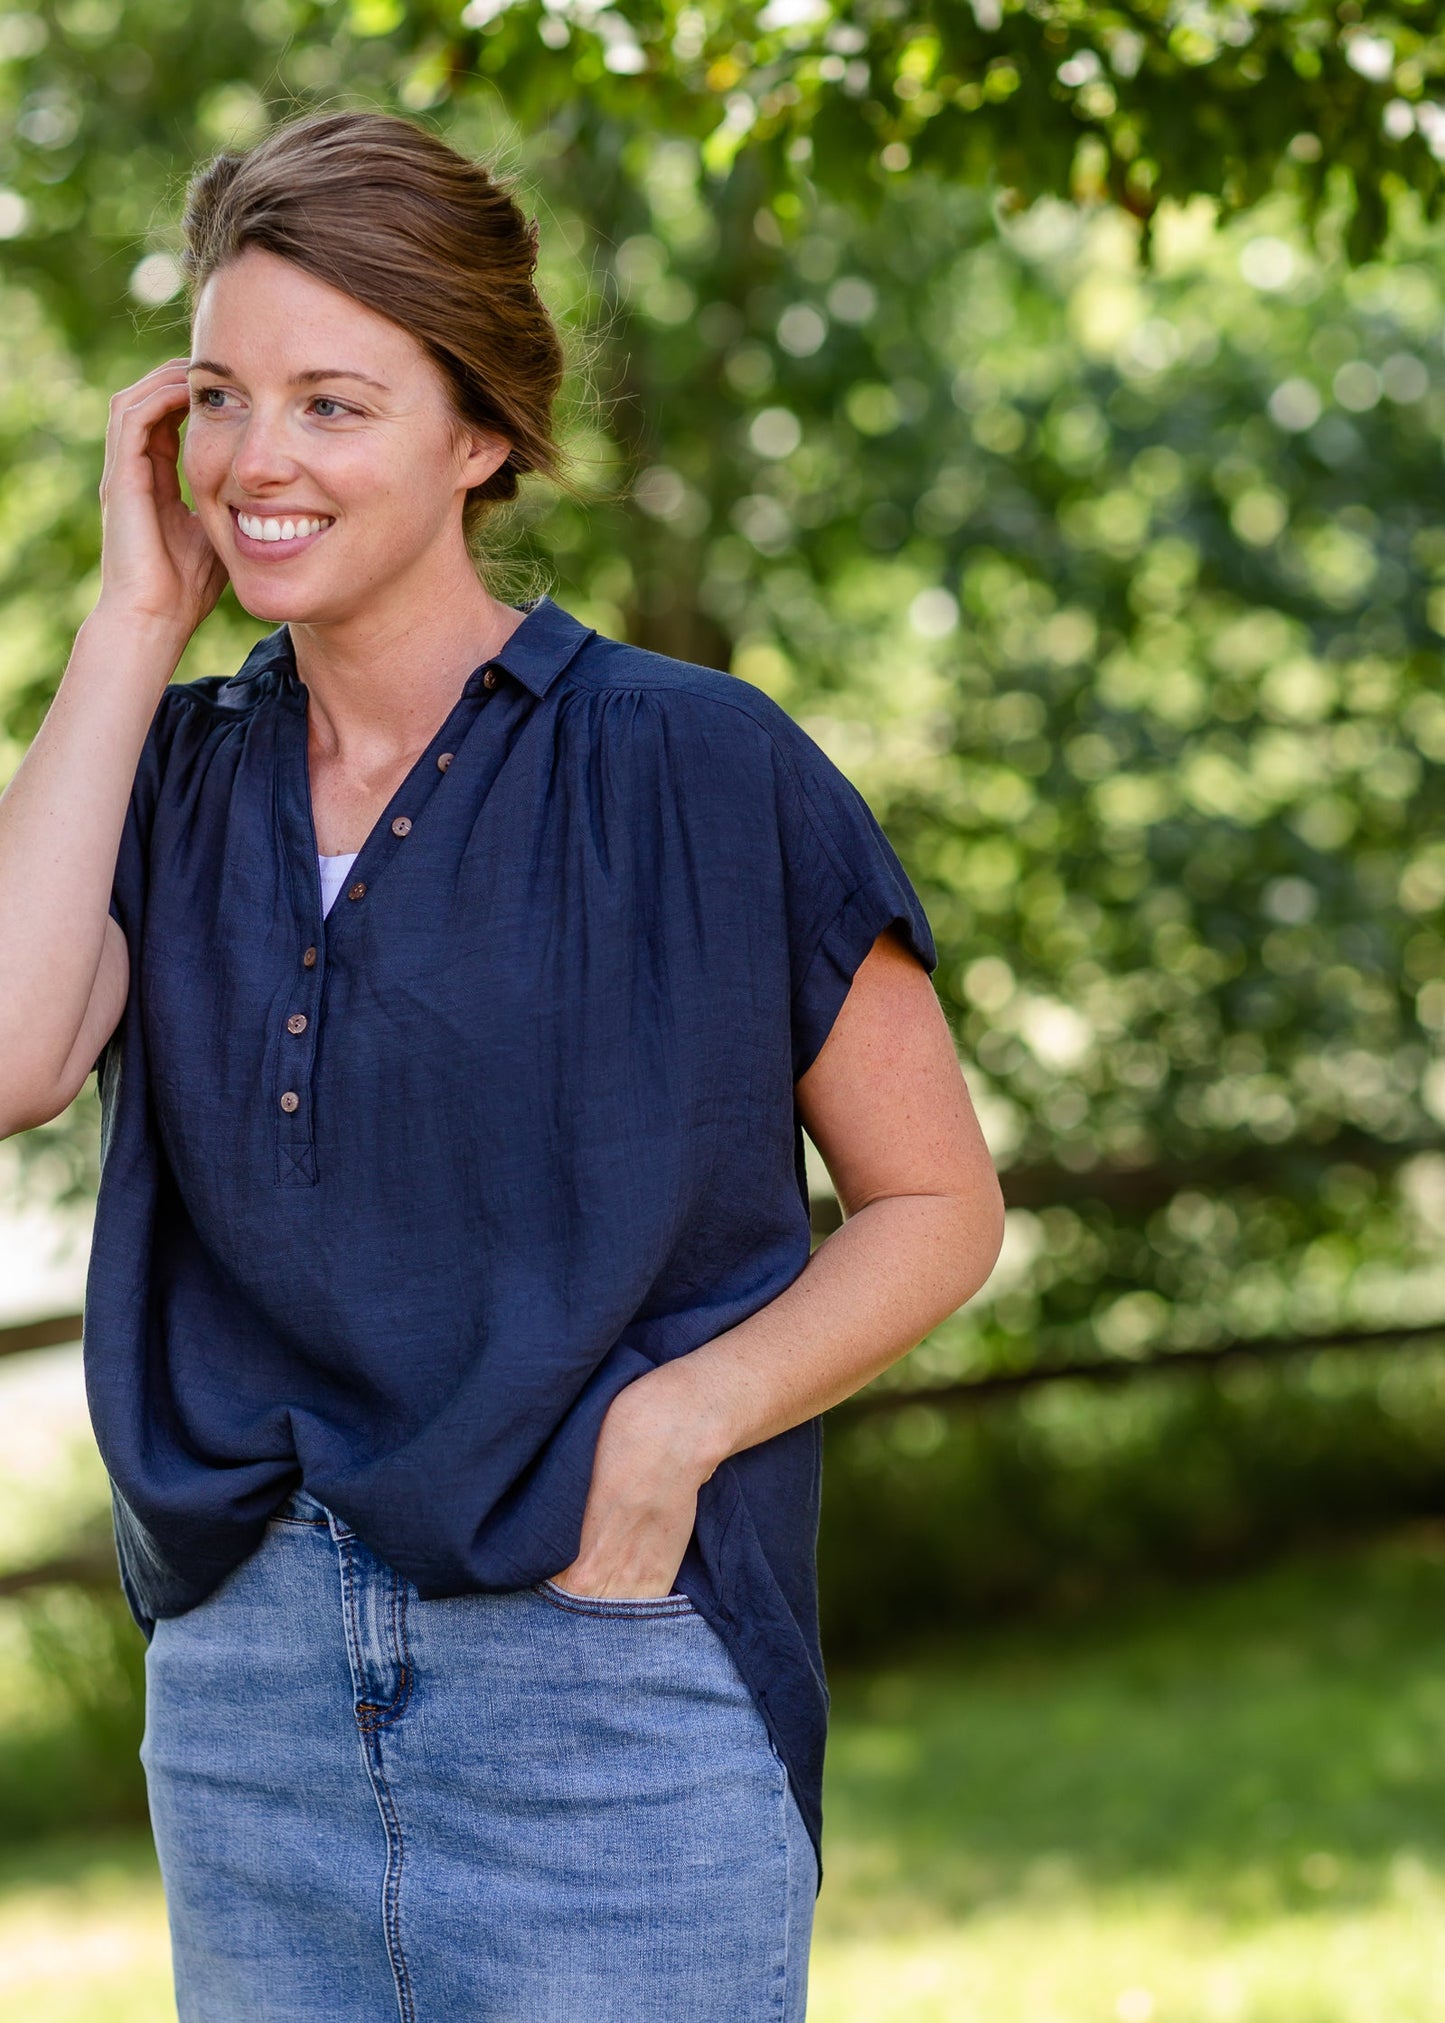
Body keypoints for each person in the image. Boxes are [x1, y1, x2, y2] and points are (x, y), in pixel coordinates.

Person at [0, 109, 1004, 2020]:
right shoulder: (162, 778)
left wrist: (675, 1429)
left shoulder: (698, 768)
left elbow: (939, 1204)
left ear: (481, 440)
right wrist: (133, 621)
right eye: (223, 396)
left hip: (604, 1681)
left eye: (334, 402)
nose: (260, 461)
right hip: (247, 1699)